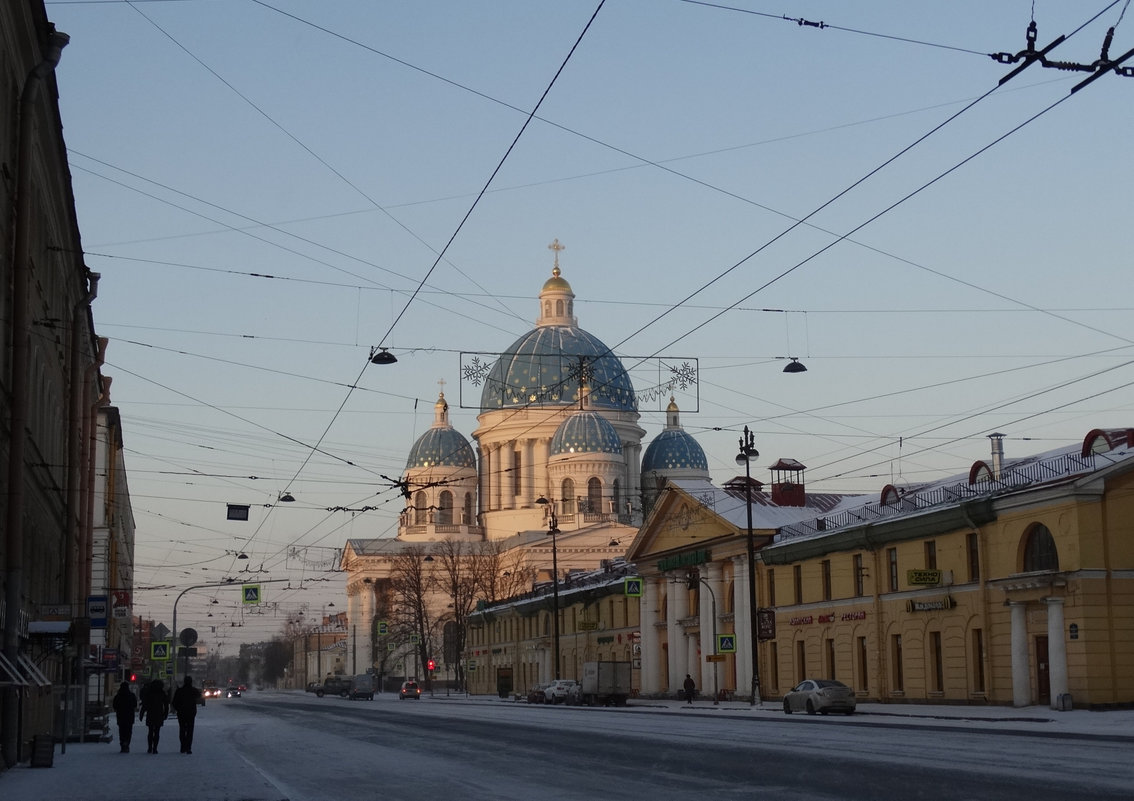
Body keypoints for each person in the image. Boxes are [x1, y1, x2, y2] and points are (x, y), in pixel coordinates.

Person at [171, 675, 204, 754]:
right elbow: (199, 696)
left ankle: (183, 747)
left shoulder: (180, 691)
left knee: (182, 729)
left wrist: (177, 709)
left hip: (181, 713)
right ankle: (188, 747)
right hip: (191, 713)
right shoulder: (193, 690)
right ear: (191, 682)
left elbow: (174, 702)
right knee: (190, 730)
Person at [139, 679, 169, 754]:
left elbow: (144, 704)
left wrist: (141, 714)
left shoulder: (149, 693)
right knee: (157, 732)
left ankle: (149, 748)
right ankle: (155, 748)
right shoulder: (162, 693)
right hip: (159, 714)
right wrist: (165, 714)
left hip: (150, 714)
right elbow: (166, 705)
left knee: (150, 731)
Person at [112, 681, 137, 753]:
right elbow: (135, 704)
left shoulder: (118, 696)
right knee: (128, 731)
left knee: (121, 731)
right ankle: (127, 743)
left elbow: (114, 706)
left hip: (121, 716)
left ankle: (123, 744)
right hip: (129, 717)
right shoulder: (131, 695)